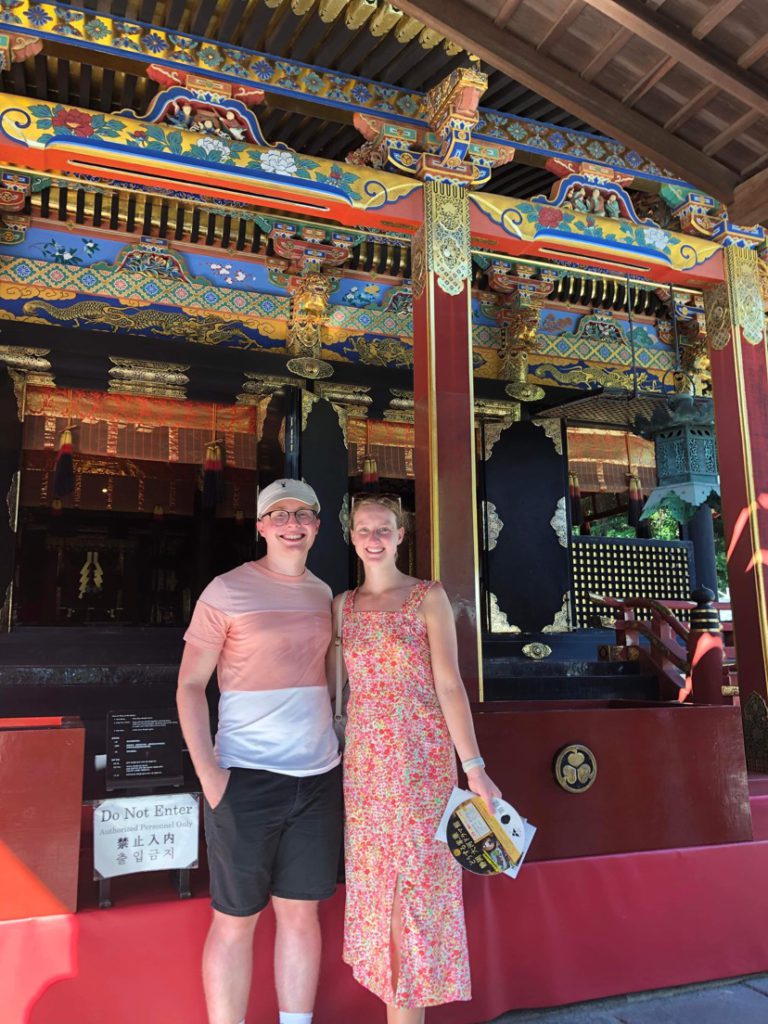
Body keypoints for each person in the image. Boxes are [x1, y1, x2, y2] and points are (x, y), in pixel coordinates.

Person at [177, 478, 342, 1024]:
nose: (292, 523)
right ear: (261, 527)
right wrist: (211, 777)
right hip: (244, 777)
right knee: (235, 919)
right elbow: (189, 686)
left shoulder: (327, 595)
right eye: (279, 514)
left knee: (302, 916)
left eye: (303, 514)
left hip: (316, 776)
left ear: (318, 526)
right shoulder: (226, 591)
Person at [332, 494, 502, 1024]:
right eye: (364, 529)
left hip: (420, 761)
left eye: (384, 528)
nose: (374, 538)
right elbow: (339, 692)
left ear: (401, 535)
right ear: (352, 536)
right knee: (376, 890)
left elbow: (449, 684)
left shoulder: (428, 596)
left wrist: (474, 769)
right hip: (364, 768)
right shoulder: (341, 604)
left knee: (415, 894)